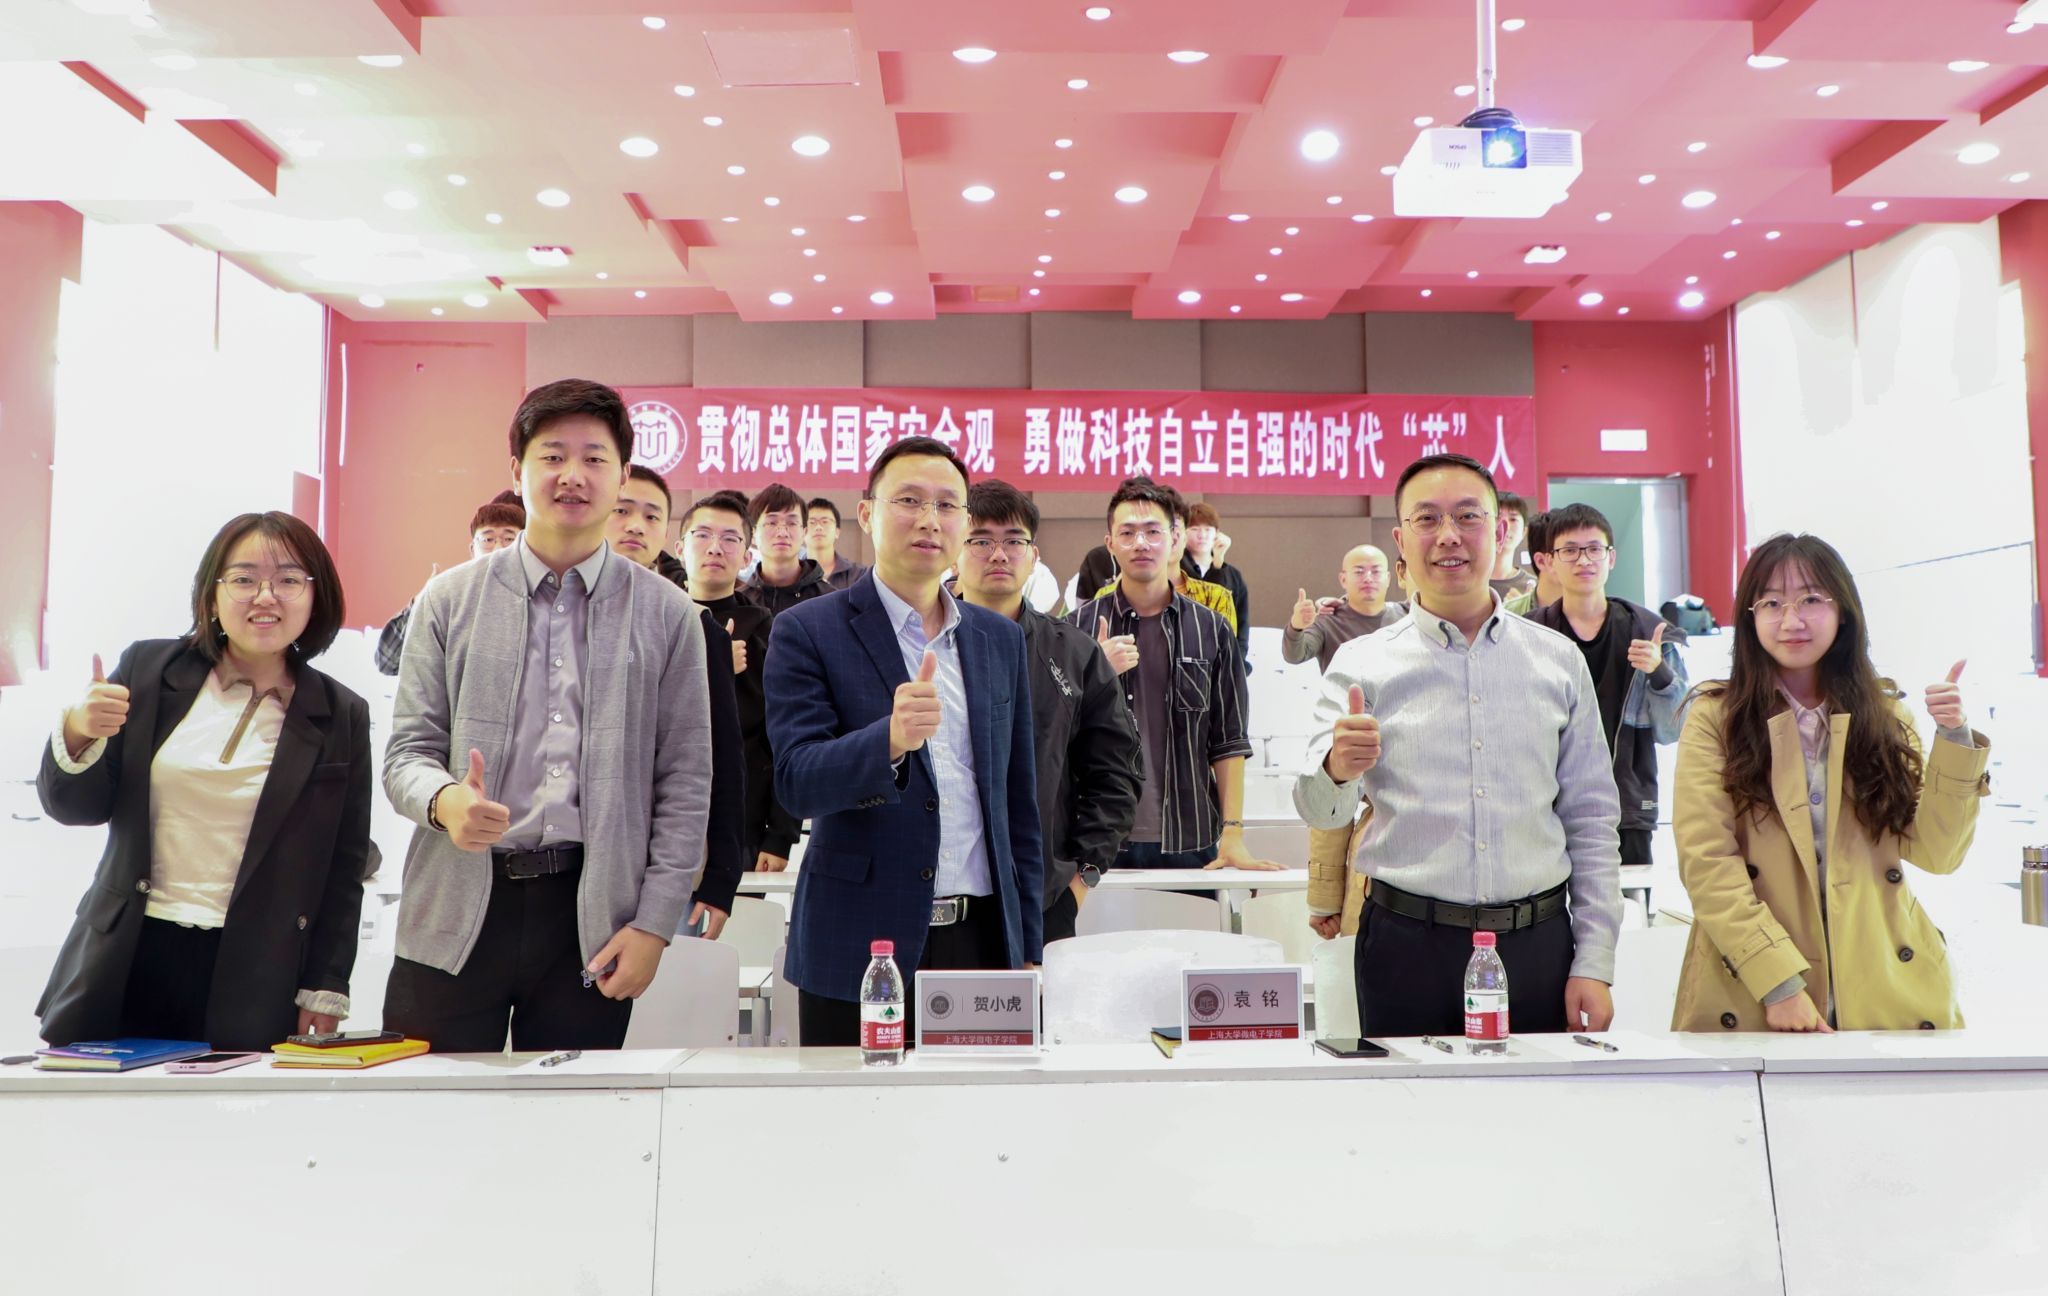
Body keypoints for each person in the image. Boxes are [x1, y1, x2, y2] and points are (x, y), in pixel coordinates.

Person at [382, 378, 713, 1052]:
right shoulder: (447, 600)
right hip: (456, 902)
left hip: (591, 919)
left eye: (594, 458)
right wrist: (445, 801)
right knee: (432, 1104)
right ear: (517, 470)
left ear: (621, 476)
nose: (572, 475)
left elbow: (685, 781)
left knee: (574, 1111)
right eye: (552, 456)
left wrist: (654, 925)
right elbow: (406, 753)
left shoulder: (670, 614)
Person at [1296, 453, 1621, 1036]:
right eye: (1427, 519)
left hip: (1538, 947)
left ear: (1500, 533)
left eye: (1468, 516)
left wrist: (1594, 960)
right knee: (1409, 1099)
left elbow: (1592, 818)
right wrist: (1337, 769)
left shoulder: (1557, 660)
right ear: (1402, 541)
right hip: (1405, 948)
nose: (1448, 536)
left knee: (1540, 1097)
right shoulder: (1361, 663)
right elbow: (1319, 810)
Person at [36, 512, 372, 1050]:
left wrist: (326, 984)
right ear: (212, 596)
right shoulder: (149, 669)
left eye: (288, 579)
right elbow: (77, 808)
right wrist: (79, 730)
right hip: (127, 953)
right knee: (105, 1102)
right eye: (243, 579)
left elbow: (343, 864)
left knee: (229, 1102)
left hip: (258, 967)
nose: (265, 596)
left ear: (316, 597)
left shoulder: (340, 713)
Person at [764, 436, 1043, 1045]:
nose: (929, 519)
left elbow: (1016, 801)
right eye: (910, 500)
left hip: (982, 940)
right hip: (860, 942)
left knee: (980, 1103)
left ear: (964, 522)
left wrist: (1026, 940)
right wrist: (888, 741)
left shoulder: (998, 640)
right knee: (857, 1103)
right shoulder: (807, 629)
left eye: (947, 505)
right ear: (866, 514)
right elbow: (796, 782)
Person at [1670, 534, 1988, 1033]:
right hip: (1754, 987)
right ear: (1750, 618)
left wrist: (1954, 737)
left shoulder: (1886, 716)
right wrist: (1778, 982)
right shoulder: (1717, 717)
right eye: (1771, 603)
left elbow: (1937, 852)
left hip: (1885, 984)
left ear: (1843, 612)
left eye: (1811, 599)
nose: (1791, 620)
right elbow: (1707, 861)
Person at [955, 480, 1141, 945]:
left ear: (1034, 556)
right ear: (954, 552)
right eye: (980, 541)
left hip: (1042, 901)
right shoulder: (920, 647)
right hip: (937, 905)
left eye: (1014, 541)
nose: (999, 554)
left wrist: (1079, 883)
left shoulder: (1075, 654)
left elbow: (1115, 775)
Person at [1069, 477, 1277, 873]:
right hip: (1098, 838)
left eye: (1153, 531)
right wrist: (1096, 674)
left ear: (1174, 538)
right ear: (1110, 544)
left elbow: (1229, 740)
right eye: (1127, 533)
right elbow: (1055, 738)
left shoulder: (1212, 628)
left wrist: (1233, 833)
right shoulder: (1075, 630)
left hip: (1193, 835)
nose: (1141, 543)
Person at [606, 466, 748, 941]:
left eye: (652, 516)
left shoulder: (695, 625)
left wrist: (722, 875)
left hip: (663, 869)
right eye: (622, 510)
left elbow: (722, 757)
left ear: (667, 536)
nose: (635, 525)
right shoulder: (549, 618)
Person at [1529, 503, 1688, 871]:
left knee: (1629, 904)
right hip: (1544, 808)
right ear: (1550, 561)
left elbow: (1674, 730)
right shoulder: (1528, 634)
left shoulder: (1649, 632)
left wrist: (1659, 672)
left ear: (1611, 558)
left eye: (1594, 549)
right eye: (1570, 550)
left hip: (1627, 807)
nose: (1584, 560)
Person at [680, 489, 802, 877]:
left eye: (730, 538)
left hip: (741, 823)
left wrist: (780, 835)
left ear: (748, 557)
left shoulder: (766, 629)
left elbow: (784, 734)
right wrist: (713, 667)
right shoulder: (657, 619)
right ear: (680, 548)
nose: (715, 548)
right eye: (702, 535)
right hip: (661, 816)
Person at [375, 493, 524, 675]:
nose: (499, 549)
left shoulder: (542, 599)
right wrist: (424, 602)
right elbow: (388, 661)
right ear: (474, 548)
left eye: (509, 538)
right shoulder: (452, 599)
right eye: (489, 538)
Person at [1284, 544, 1402, 673]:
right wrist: (1296, 627)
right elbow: (1294, 655)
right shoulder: (1327, 622)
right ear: (1343, 579)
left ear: (1388, 578)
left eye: (1376, 571)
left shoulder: (1407, 616)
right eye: (1359, 572)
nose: (1368, 578)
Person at [1184, 502, 1252, 670]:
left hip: (1226, 660)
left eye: (1208, 529)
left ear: (1217, 533)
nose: (1202, 535)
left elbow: (1242, 622)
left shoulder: (1233, 575)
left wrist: (1236, 660)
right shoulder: (1177, 570)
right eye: (1194, 529)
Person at [743, 484, 828, 614]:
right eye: (771, 523)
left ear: (804, 532)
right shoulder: (740, 603)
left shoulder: (829, 600)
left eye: (792, 523)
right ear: (753, 534)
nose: (782, 533)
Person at [805, 497, 870, 592]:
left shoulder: (858, 575)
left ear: (837, 532)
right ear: (802, 531)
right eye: (812, 522)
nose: (818, 527)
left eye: (825, 522)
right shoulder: (791, 576)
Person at [1489, 491, 1537, 603]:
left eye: (1513, 519)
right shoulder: (1469, 583)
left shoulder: (1533, 587)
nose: (1505, 526)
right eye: (1497, 518)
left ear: (1524, 531)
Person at [1512, 508, 1561, 615]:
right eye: (1570, 551)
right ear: (1541, 561)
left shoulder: (1593, 614)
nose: (1583, 561)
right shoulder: (1508, 614)